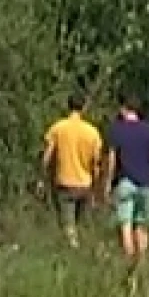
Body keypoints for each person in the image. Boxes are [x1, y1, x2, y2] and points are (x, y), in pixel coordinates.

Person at [104, 95, 149, 261]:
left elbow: (111, 160)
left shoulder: (116, 130)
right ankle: (142, 261)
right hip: (145, 183)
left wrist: (108, 183)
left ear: (124, 109)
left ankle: (129, 260)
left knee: (125, 224)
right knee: (142, 225)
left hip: (125, 181)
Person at [41, 94, 103, 248]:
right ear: (83, 108)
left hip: (64, 182)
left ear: (68, 106)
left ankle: (73, 249)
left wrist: (43, 176)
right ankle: (83, 250)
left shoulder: (58, 128)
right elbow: (96, 163)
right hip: (85, 184)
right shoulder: (92, 132)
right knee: (83, 222)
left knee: (68, 223)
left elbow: (47, 157)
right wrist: (96, 185)